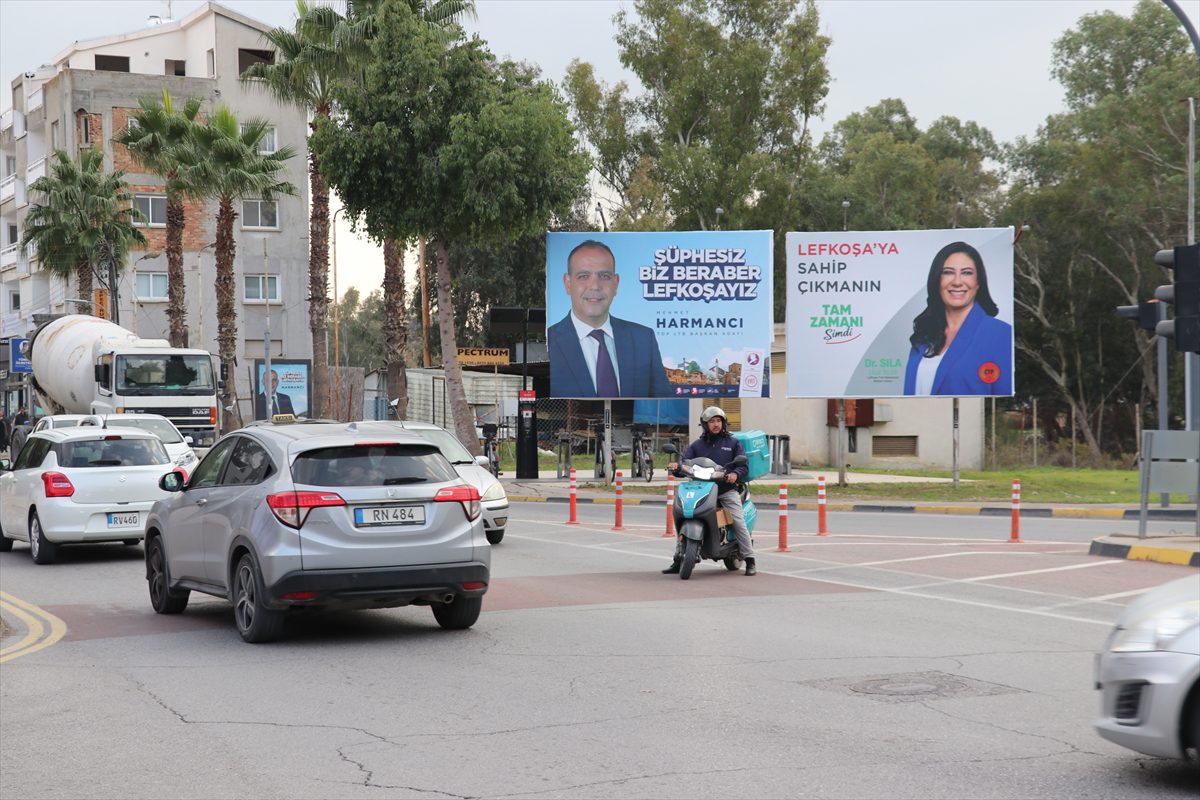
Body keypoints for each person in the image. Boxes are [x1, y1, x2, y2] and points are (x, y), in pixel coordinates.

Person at [547, 240, 673, 398]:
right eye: (584, 276)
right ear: (568, 283)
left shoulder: (643, 339)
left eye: (604, 276)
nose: (594, 286)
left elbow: (664, 398)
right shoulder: (550, 341)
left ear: (616, 283)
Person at [903, 241, 1012, 396]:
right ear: (937, 280)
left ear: (978, 282)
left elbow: (1003, 397)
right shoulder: (923, 335)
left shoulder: (1001, 334)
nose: (957, 282)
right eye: (948, 272)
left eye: (967, 273)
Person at [663, 406, 756, 576]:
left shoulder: (733, 443)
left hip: (725, 490)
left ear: (723, 423)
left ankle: (750, 559)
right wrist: (677, 467)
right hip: (701, 489)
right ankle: (678, 559)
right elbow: (686, 462)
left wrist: (735, 474)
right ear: (705, 424)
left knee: (737, 520)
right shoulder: (697, 445)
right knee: (684, 514)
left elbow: (744, 466)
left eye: (718, 421)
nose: (715, 424)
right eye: (712, 421)